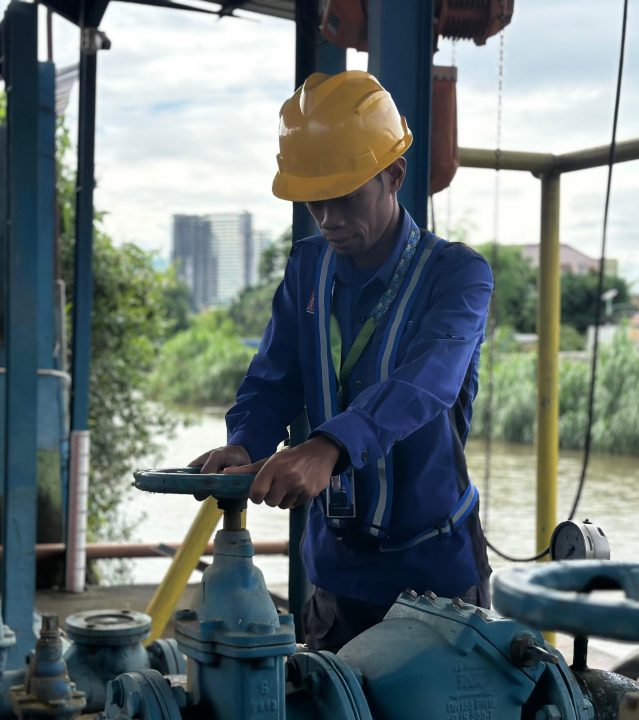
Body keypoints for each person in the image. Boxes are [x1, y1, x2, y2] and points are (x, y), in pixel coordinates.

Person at [192, 70, 493, 653]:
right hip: (336, 575)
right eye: (314, 201)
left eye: (346, 197)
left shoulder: (458, 275)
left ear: (394, 178)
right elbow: (273, 377)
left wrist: (328, 446)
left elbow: (429, 381)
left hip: (437, 579)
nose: (328, 218)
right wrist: (246, 443)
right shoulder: (308, 267)